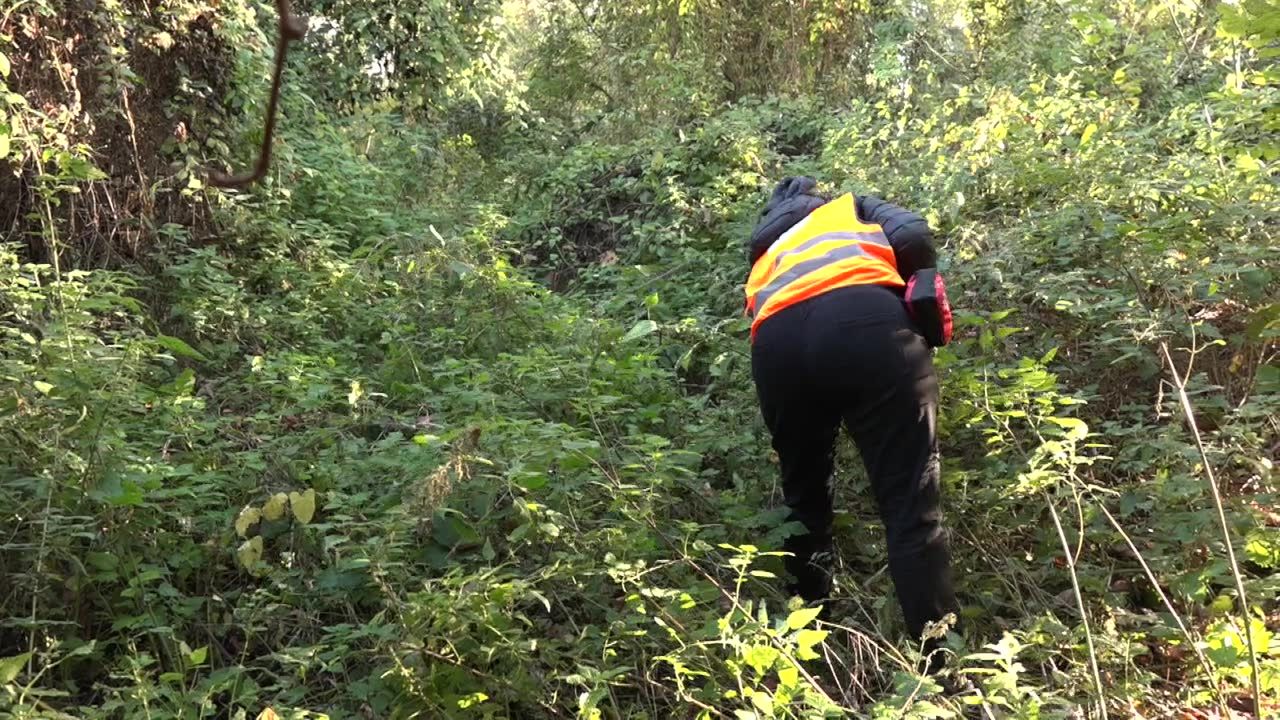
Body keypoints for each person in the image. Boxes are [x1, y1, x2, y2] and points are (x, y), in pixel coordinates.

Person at [744, 176, 959, 668]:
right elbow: (911, 234)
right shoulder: (848, 207)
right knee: (909, 503)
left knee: (804, 501)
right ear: (815, 198)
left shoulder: (765, 251)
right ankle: (941, 668)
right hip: (865, 322)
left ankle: (807, 648)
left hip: (776, 347)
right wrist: (920, 289)